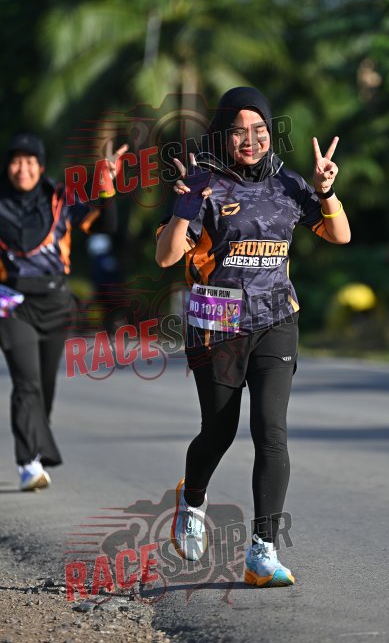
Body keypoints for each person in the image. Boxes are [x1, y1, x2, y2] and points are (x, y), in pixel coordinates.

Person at [155, 87, 350, 587]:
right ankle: (192, 499)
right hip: (216, 324)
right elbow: (166, 256)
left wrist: (325, 191)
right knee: (219, 431)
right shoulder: (204, 183)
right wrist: (185, 206)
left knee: (271, 432)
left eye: (259, 129)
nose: (251, 139)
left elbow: (339, 235)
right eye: (239, 131)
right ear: (223, 134)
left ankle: (262, 552)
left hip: (276, 320)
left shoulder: (288, 181)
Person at [0, 133, 126, 490]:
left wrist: (107, 185)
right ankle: (28, 463)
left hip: (55, 302)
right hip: (10, 303)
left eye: (30, 162)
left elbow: (105, 225)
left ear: (40, 166)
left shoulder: (61, 199)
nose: (22, 169)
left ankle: (36, 450)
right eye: (16, 161)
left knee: (45, 385)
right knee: (26, 382)